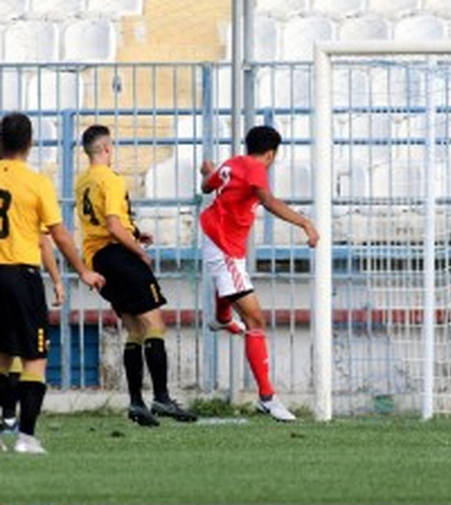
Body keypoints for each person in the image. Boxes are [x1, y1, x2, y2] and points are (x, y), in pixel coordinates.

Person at [75, 125, 196, 427]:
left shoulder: (83, 181)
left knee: (133, 329)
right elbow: (115, 226)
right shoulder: (111, 179)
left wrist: (136, 233)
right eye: (111, 146)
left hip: (98, 259)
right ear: (104, 149)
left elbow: (105, 222)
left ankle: (136, 403)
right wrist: (138, 251)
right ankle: (162, 397)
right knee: (155, 324)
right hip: (119, 255)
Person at [0, 112, 105, 453]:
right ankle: (26, 438)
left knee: (2, 356)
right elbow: (57, 235)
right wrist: (82, 270)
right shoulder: (36, 182)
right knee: (34, 358)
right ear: (29, 144)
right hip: (21, 275)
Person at [200, 125, 318, 422]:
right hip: (223, 245)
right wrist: (305, 223)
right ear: (271, 154)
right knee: (255, 319)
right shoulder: (255, 167)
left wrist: (209, 171)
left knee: (232, 285)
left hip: (218, 238)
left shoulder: (232, 163)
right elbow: (268, 200)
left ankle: (223, 317)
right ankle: (268, 398)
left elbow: (206, 187)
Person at [1, 233, 64, 432]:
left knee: (5, 351)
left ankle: (9, 415)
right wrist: (57, 280)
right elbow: (44, 240)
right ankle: (24, 433)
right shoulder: (31, 201)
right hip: (22, 274)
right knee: (32, 355)